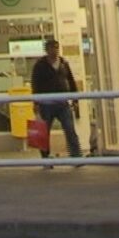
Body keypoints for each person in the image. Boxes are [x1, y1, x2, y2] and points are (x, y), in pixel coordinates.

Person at [30, 38, 82, 166]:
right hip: (46, 104)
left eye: (56, 48)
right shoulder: (40, 65)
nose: (55, 51)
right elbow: (35, 84)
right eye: (52, 48)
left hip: (62, 103)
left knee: (70, 129)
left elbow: (70, 80)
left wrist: (75, 98)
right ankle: (46, 158)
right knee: (44, 132)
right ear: (47, 50)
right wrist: (36, 102)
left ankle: (76, 157)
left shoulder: (63, 63)